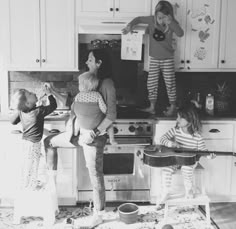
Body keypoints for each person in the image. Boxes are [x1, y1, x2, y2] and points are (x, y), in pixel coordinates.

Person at [43, 48, 117, 228]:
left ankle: (99, 213)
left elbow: (111, 115)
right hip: (76, 134)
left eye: (90, 60)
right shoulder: (87, 81)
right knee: (49, 142)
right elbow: (72, 103)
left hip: (93, 137)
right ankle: (51, 188)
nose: (87, 62)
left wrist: (95, 132)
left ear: (99, 63)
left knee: (95, 175)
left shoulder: (106, 84)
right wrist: (52, 91)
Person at [122, 0, 184, 116]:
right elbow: (139, 19)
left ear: (169, 15)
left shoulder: (172, 23)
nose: (160, 20)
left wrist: (171, 23)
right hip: (154, 59)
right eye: (159, 17)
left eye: (163, 17)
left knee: (170, 83)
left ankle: (173, 107)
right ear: (155, 14)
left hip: (167, 59)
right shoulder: (151, 20)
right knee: (151, 84)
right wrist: (130, 26)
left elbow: (180, 33)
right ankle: (152, 107)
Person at [157, 103, 214, 208]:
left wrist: (209, 156)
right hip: (176, 159)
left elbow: (203, 150)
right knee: (166, 169)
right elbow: (162, 139)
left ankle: (189, 190)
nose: (177, 120)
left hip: (190, 161)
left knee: (186, 169)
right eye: (177, 117)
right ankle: (165, 192)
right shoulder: (175, 130)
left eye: (181, 118)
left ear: (190, 121)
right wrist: (171, 143)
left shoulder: (197, 136)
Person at [10, 86, 57, 191]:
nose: (33, 92)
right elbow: (53, 105)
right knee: (34, 167)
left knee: (27, 167)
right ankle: (31, 188)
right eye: (30, 94)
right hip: (34, 145)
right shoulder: (39, 111)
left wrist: (19, 110)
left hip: (25, 143)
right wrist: (49, 94)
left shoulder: (23, 111)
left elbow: (13, 121)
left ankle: (27, 187)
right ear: (27, 103)